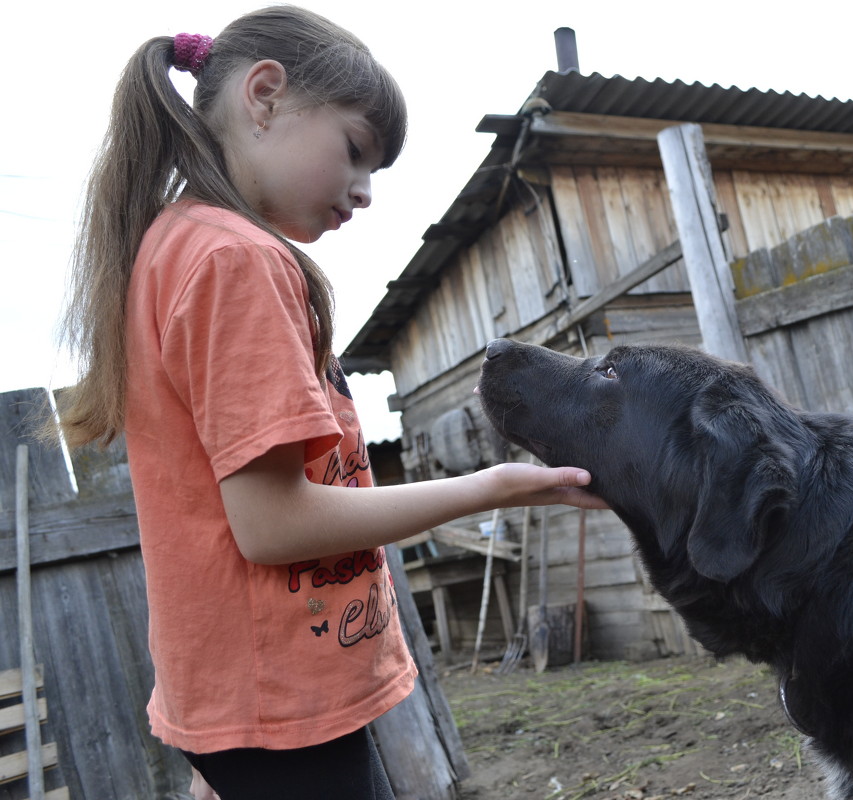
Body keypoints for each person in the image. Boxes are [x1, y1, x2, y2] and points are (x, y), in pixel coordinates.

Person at [53, 6, 606, 799]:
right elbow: (272, 524)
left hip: (255, 705)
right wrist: (492, 488)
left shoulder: (175, 244)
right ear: (266, 95)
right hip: (280, 709)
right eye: (355, 150)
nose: (367, 191)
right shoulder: (234, 260)